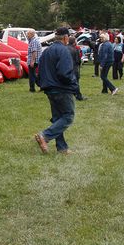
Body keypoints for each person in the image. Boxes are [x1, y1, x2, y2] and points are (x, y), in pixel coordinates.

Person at [34, 27, 79, 155]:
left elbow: (39, 71)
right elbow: (64, 73)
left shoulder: (47, 51)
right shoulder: (64, 51)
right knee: (68, 116)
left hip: (49, 89)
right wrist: (73, 84)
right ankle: (45, 135)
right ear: (65, 38)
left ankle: (62, 148)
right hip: (62, 89)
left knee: (58, 118)